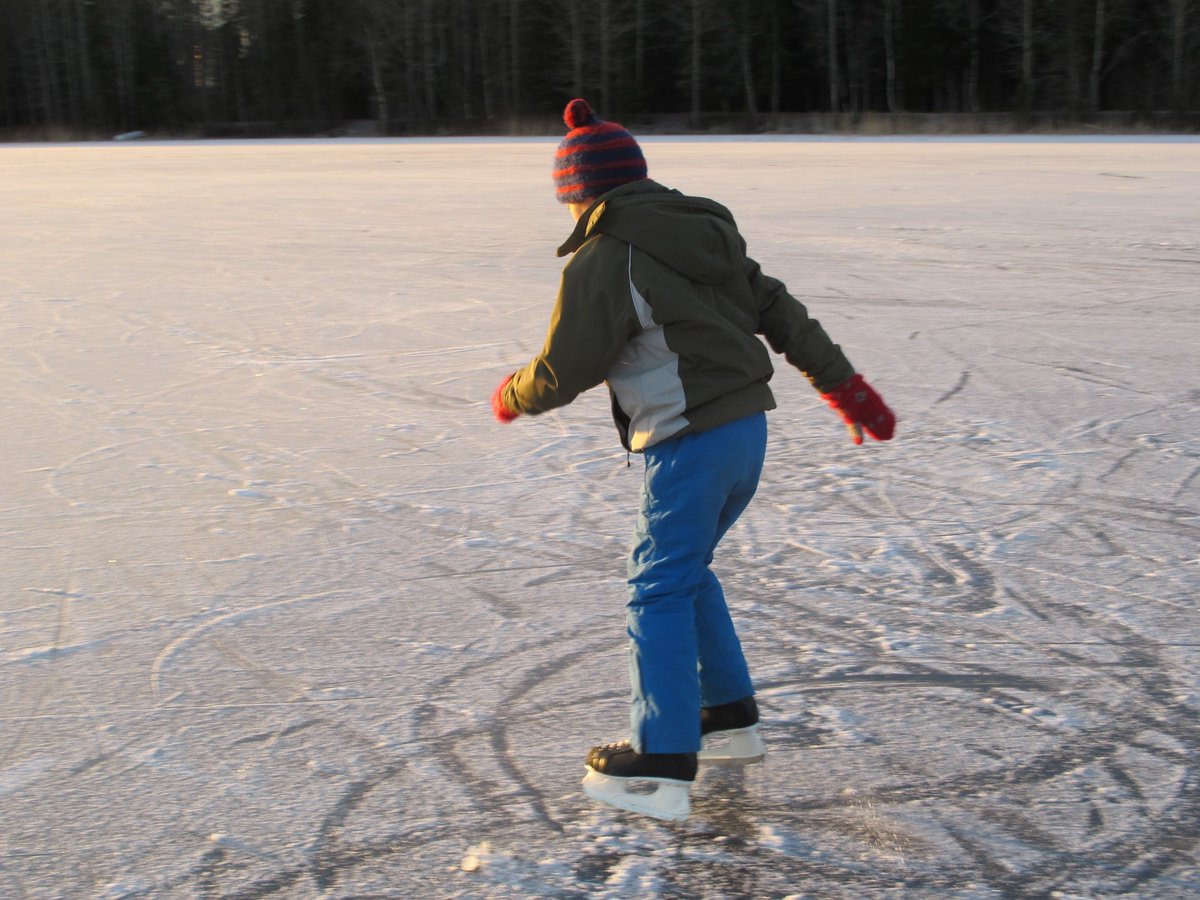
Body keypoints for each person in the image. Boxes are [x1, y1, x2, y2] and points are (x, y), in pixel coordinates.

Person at [490, 99, 895, 821]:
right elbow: (781, 313)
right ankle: (727, 717)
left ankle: (663, 757)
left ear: (578, 192)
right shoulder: (705, 232)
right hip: (746, 432)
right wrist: (848, 391)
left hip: (690, 438)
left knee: (655, 587)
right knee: (687, 570)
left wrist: (512, 395)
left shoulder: (606, 255)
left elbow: (565, 366)